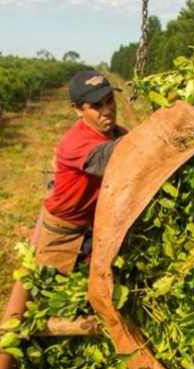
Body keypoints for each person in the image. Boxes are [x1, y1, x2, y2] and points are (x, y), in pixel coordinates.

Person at [34, 71, 127, 274]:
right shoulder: (76, 141)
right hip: (65, 236)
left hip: (95, 229)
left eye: (110, 101)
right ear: (77, 110)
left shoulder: (119, 134)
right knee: (54, 293)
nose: (108, 110)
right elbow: (115, 157)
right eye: (96, 106)